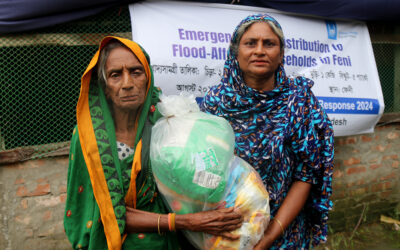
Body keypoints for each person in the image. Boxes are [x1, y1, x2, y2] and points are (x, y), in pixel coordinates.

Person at [64, 36, 242, 250]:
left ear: (148, 77)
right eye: (115, 75)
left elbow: (198, 180)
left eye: (136, 72)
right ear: (105, 87)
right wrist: (185, 221)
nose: (127, 83)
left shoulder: (167, 122)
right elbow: (103, 212)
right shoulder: (88, 138)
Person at [200, 14, 334, 249]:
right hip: (227, 234)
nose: (259, 50)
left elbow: (306, 175)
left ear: (281, 53)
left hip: (284, 233)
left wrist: (269, 237)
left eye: (269, 43)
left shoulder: (299, 101)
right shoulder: (216, 103)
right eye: (250, 43)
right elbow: (203, 167)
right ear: (235, 51)